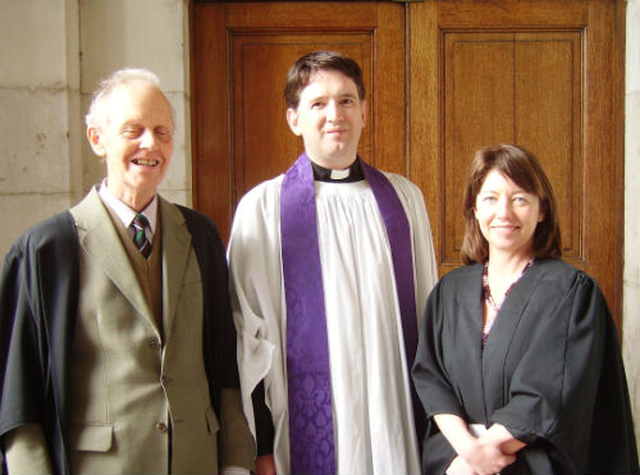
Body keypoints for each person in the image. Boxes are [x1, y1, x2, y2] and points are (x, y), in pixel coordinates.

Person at [0, 68, 254, 474]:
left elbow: (225, 360)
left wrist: (237, 461)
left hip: (197, 462)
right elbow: (18, 392)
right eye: (133, 130)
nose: (150, 144)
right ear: (97, 139)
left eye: (162, 131)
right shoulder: (47, 249)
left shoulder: (201, 235)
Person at [227, 50, 438, 475]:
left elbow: (431, 321)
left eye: (346, 101)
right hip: (300, 435)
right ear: (294, 119)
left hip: (395, 420)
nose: (334, 114)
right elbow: (246, 336)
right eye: (318, 103)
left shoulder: (404, 200)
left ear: (364, 112)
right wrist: (260, 445)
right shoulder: (264, 209)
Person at [412, 143, 639, 474]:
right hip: (455, 463)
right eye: (490, 198)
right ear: (475, 209)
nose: (504, 212)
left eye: (520, 198)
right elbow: (431, 379)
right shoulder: (450, 291)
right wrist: (466, 456)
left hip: (531, 463)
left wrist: (485, 456)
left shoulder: (570, 293)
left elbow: (552, 394)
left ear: (541, 209)